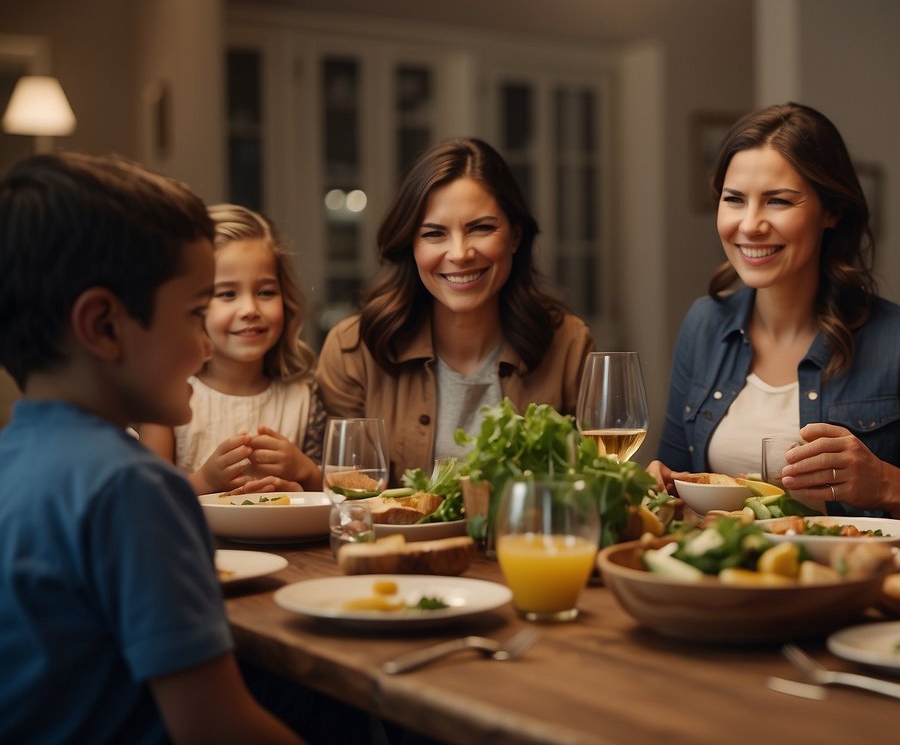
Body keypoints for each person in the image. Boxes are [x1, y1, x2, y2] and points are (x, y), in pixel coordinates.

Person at [0, 153, 301, 743]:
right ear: (105, 326)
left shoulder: (14, 459)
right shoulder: (131, 486)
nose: (207, 347)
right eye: (195, 314)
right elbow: (217, 728)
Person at [649, 103, 900, 518]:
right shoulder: (703, 325)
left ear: (831, 211)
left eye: (778, 201)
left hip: (857, 576)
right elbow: (674, 480)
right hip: (727, 576)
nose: (751, 224)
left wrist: (886, 484)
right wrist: (657, 484)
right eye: (734, 199)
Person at [317, 138, 594, 483]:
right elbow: (344, 503)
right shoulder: (352, 351)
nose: (460, 253)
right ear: (411, 245)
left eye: (480, 228)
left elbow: (594, 486)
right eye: (434, 234)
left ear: (515, 236)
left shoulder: (568, 344)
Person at [142, 204, 325, 494]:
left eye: (265, 292)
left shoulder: (305, 397)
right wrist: (205, 482)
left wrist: (304, 472)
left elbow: (337, 501)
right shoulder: (166, 398)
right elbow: (149, 501)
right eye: (227, 294)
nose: (250, 309)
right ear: (192, 305)